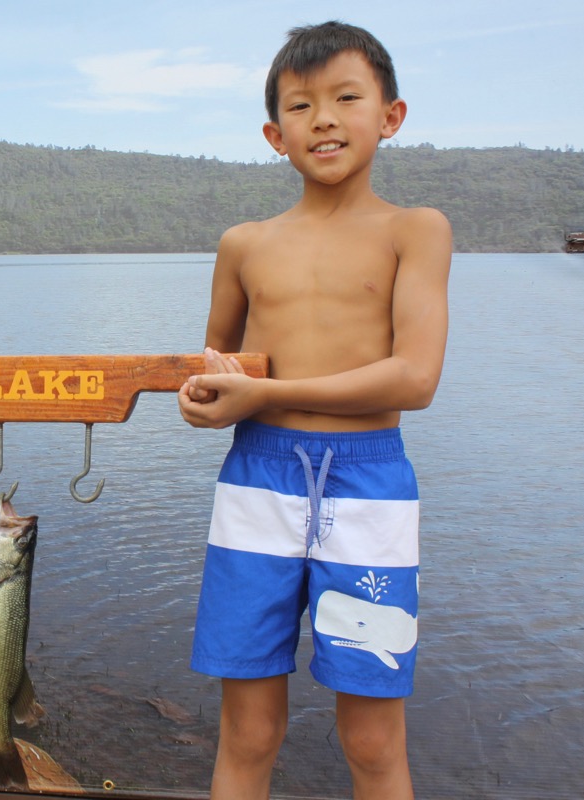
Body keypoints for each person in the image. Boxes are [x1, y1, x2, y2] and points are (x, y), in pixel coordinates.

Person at [177, 21, 451, 800]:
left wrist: (263, 395)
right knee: (250, 732)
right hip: (256, 487)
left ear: (390, 116)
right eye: (301, 106)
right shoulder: (244, 244)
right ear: (275, 133)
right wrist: (208, 401)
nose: (324, 119)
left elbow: (415, 378)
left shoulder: (416, 230)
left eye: (346, 98)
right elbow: (212, 369)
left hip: (369, 492)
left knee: (370, 740)